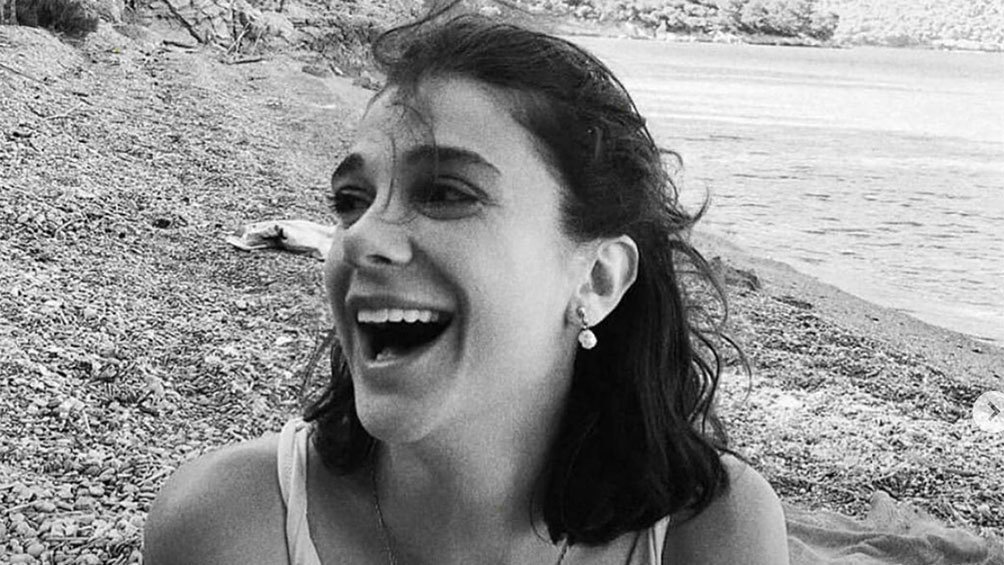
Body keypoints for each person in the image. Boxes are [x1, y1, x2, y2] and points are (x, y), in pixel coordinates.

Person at [143, 9, 789, 565]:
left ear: (597, 279)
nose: (360, 238)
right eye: (351, 201)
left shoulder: (711, 531)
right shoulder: (227, 526)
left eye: (446, 193)